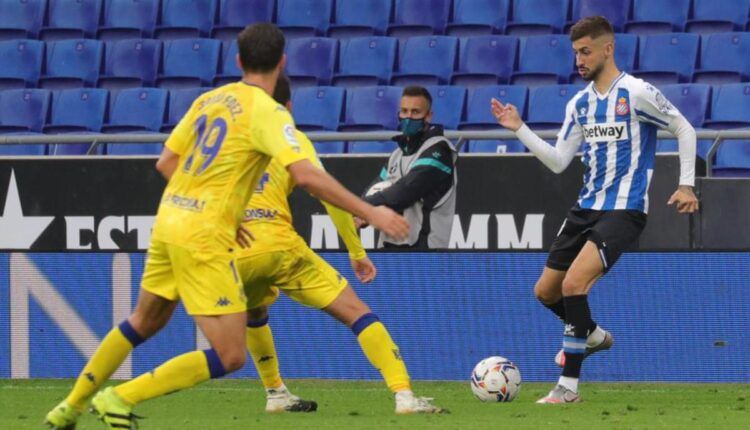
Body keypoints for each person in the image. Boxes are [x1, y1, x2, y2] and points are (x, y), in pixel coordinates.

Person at [44, 23, 409, 429]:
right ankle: (120, 397)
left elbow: (166, 162)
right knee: (231, 354)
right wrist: (373, 213)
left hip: (170, 221)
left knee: (142, 321)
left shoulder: (209, 100)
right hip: (204, 235)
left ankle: (69, 406)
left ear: (238, 61)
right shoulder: (267, 111)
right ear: (282, 62)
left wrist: (216, 209)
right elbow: (306, 176)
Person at [491, 16, 699, 404]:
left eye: (585, 51)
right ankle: (592, 334)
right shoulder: (580, 104)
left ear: (608, 49)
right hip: (586, 208)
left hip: (625, 209)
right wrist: (519, 128)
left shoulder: (636, 93)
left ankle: (568, 389)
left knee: (574, 285)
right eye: (575, 53)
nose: (579, 60)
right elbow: (558, 161)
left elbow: (685, 129)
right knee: (546, 291)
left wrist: (686, 183)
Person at [238, 74, 444, 415]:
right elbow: (326, 194)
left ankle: (275, 392)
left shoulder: (231, 141)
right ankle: (405, 396)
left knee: (255, 312)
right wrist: (357, 251)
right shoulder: (292, 139)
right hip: (278, 244)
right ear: (287, 107)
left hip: (236, 250)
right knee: (356, 312)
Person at [359, 86, 458, 249]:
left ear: (428, 116)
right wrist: (363, 213)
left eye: (415, 112)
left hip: (425, 252)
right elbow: (375, 188)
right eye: (404, 111)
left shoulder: (439, 150)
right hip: (389, 248)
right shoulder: (397, 154)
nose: (408, 118)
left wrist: (362, 208)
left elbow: (406, 191)